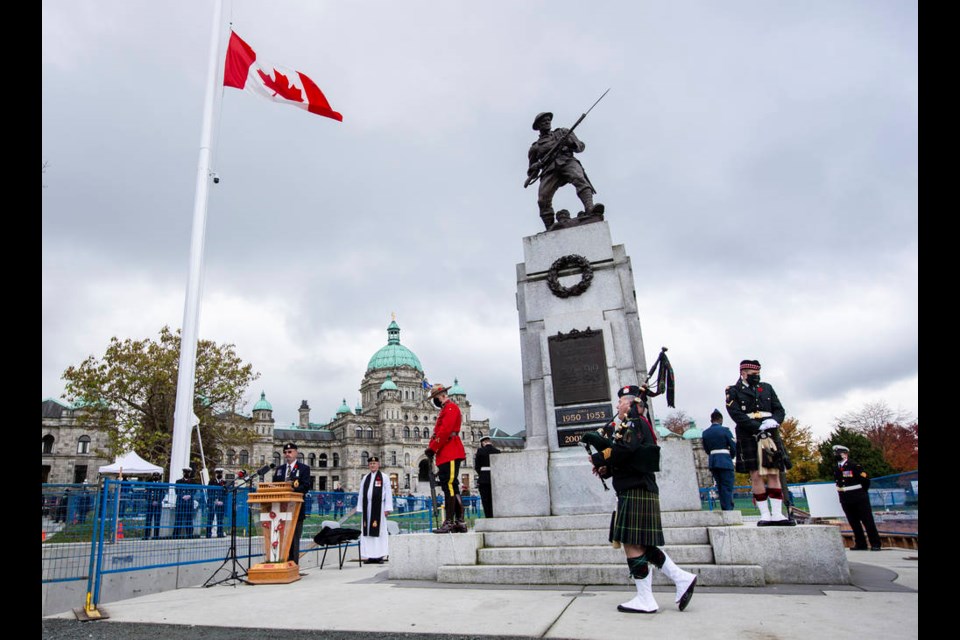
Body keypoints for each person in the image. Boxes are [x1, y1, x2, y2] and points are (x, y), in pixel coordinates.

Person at [585, 385, 697, 613]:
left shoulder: (634, 422)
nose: (617, 406)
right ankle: (681, 577)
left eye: (620, 402)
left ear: (631, 403)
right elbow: (630, 458)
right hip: (636, 486)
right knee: (642, 543)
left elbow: (624, 450)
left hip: (636, 489)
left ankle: (646, 599)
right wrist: (607, 469)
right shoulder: (633, 424)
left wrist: (599, 456)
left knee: (632, 543)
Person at [725, 360, 795, 526]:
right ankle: (765, 514)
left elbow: (779, 409)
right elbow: (735, 413)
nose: (756, 377)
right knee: (756, 474)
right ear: (743, 373)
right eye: (753, 374)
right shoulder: (733, 391)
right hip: (749, 433)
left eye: (757, 374)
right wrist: (758, 427)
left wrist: (774, 421)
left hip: (770, 432)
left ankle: (777, 513)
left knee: (773, 473)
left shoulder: (767, 388)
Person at [526, 111, 602, 230]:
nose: (547, 122)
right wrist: (535, 166)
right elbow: (531, 172)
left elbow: (580, 147)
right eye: (543, 121)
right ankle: (550, 227)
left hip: (567, 161)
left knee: (579, 179)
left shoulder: (563, 132)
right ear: (538, 126)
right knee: (542, 199)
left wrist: (570, 143)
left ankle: (590, 208)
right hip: (549, 170)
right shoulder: (535, 147)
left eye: (548, 120)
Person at [425, 383, 467, 534]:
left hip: (450, 450)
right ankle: (459, 522)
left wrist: (433, 448)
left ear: (441, 395)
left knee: (449, 485)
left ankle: (450, 522)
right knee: (451, 486)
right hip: (445, 452)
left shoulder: (450, 408)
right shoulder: (445, 409)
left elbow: (444, 431)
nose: (434, 401)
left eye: (435, 398)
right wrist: (432, 447)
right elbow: (438, 433)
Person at [832, 445, 882, 551]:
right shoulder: (836, 467)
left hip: (858, 497)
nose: (836, 455)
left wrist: (861, 493)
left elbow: (865, 480)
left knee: (867, 521)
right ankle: (861, 543)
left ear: (845, 454)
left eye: (838, 453)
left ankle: (875, 543)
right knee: (853, 522)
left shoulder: (854, 465)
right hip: (845, 498)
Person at [272, 443, 311, 564]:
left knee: (294, 538)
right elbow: (275, 486)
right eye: (285, 452)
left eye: (290, 452)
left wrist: (291, 490)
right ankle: (282, 561)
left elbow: (306, 486)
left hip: (296, 509)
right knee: (281, 536)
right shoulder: (279, 470)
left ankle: (293, 564)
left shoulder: (304, 468)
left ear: (296, 453)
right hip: (280, 509)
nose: (287, 454)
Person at [357, 456, 394, 563]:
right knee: (367, 531)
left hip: (379, 508)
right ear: (368, 465)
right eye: (371, 464)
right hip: (367, 508)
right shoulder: (365, 478)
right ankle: (370, 555)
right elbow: (361, 494)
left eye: (374, 463)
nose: (372, 465)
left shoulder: (384, 477)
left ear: (378, 464)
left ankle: (380, 555)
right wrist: (360, 507)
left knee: (380, 531)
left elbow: (388, 493)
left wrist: (388, 508)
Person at [702, 409, 737, 511]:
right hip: (725, 460)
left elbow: (707, 449)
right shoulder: (725, 431)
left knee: (720, 486)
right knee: (727, 485)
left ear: (711, 420)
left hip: (713, 461)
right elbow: (733, 446)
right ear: (720, 419)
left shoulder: (705, 433)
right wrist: (732, 456)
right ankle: (728, 508)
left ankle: (724, 507)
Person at [474, 434, 501, 518]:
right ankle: (495, 514)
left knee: (485, 499)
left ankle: (488, 516)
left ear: (483, 442)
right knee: (495, 498)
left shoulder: (480, 451)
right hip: (494, 478)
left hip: (484, 478)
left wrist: (481, 474)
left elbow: (477, 466)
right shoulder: (497, 451)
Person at [174, 468, 197, 538]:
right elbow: (177, 491)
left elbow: (194, 490)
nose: (186, 474)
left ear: (190, 473)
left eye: (188, 472)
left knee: (189, 519)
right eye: (185, 472)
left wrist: (189, 495)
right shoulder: (178, 481)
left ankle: (189, 534)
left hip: (189, 503)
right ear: (183, 473)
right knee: (178, 519)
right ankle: (176, 535)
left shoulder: (193, 482)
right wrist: (182, 496)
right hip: (180, 502)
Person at [205, 468, 227, 538]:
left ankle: (219, 533)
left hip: (220, 503)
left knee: (220, 519)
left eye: (220, 473)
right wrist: (214, 500)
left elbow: (226, 492)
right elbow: (209, 491)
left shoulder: (224, 482)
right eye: (218, 473)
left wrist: (222, 500)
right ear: (216, 474)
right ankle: (208, 533)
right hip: (212, 502)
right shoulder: (211, 481)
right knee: (210, 518)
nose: (219, 475)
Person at [144, 472, 165, 539]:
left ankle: (156, 536)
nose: (156, 477)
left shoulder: (161, 485)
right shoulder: (149, 484)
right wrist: (151, 501)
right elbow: (146, 494)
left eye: (157, 476)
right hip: (150, 505)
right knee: (148, 520)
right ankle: (146, 535)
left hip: (158, 505)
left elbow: (162, 494)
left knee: (157, 521)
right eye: (154, 476)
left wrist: (158, 502)